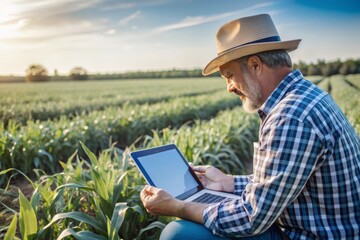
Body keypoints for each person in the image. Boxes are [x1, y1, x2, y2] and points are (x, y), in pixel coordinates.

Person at [140, 14, 360, 239]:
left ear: (255, 65)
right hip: (322, 227)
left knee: (178, 233)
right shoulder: (305, 97)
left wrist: (177, 207)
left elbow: (251, 217)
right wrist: (227, 182)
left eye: (229, 75)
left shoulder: (290, 116)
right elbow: (281, 180)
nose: (229, 87)